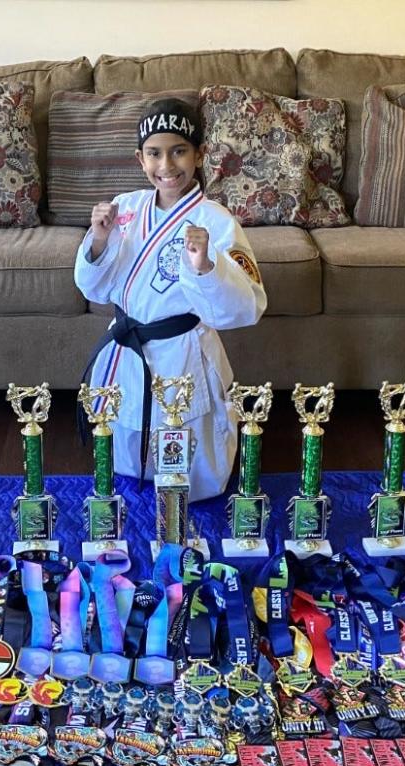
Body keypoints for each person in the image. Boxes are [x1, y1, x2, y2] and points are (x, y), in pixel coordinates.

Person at [75, 98, 267, 501]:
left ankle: (182, 492)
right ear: (140, 158)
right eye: (155, 153)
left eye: (179, 151)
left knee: (182, 436)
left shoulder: (216, 221)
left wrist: (205, 267)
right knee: (126, 435)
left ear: (199, 155)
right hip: (128, 344)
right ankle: (132, 472)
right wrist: (98, 239)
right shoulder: (125, 208)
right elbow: (93, 288)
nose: (167, 165)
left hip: (181, 350)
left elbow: (248, 305)